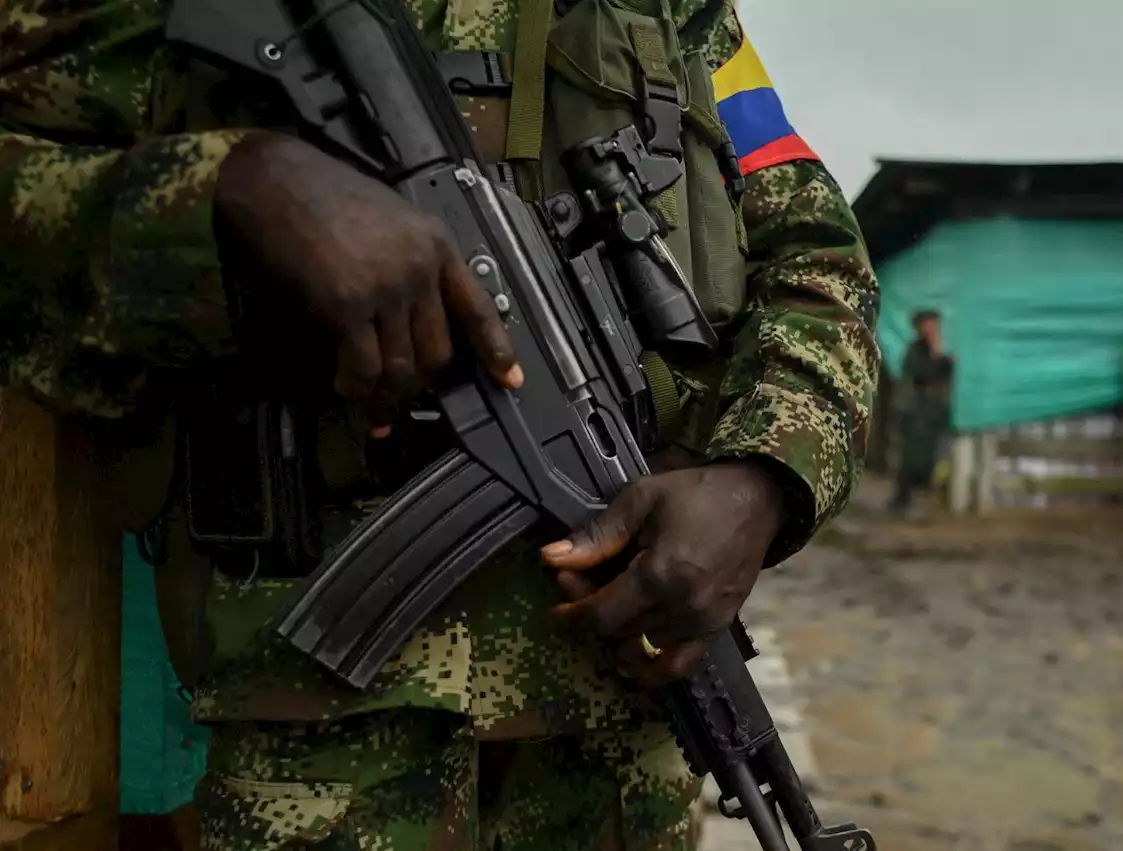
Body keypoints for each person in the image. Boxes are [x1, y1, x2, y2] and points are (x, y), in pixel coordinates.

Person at [0, 2, 881, 848]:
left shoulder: (682, 8)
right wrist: (229, 193)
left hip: (619, 750)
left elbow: (818, 258)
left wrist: (766, 473)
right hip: (320, 747)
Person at [889, 309, 953, 514]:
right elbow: (920, 374)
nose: (931, 329)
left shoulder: (940, 351)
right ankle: (901, 501)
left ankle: (922, 499)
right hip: (915, 412)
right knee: (910, 459)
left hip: (933, 414)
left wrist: (941, 357)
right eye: (927, 325)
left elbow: (946, 373)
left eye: (934, 325)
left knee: (930, 459)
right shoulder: (914, 350)